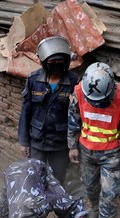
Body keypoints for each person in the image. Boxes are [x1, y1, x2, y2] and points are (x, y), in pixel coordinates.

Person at [68, 62, 120, 218]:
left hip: (111, 154)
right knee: (90, 186)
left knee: (110, 193)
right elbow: (73, 120)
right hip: (86, 150)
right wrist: (72, 145)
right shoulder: (79, 92)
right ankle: (95, 211)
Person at [18, 36, 79, 186]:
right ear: (44, 62)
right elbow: (25, 112)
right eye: (52, 62)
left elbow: (78, 117)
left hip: (60, 143)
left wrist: (74, 145)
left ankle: (54, 202)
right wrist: (24, 141)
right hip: (38, 140)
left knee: (58, 178)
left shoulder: (74, 82)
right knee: (35, 175)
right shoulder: (33, 80)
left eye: (60, 61)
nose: (56, 65)